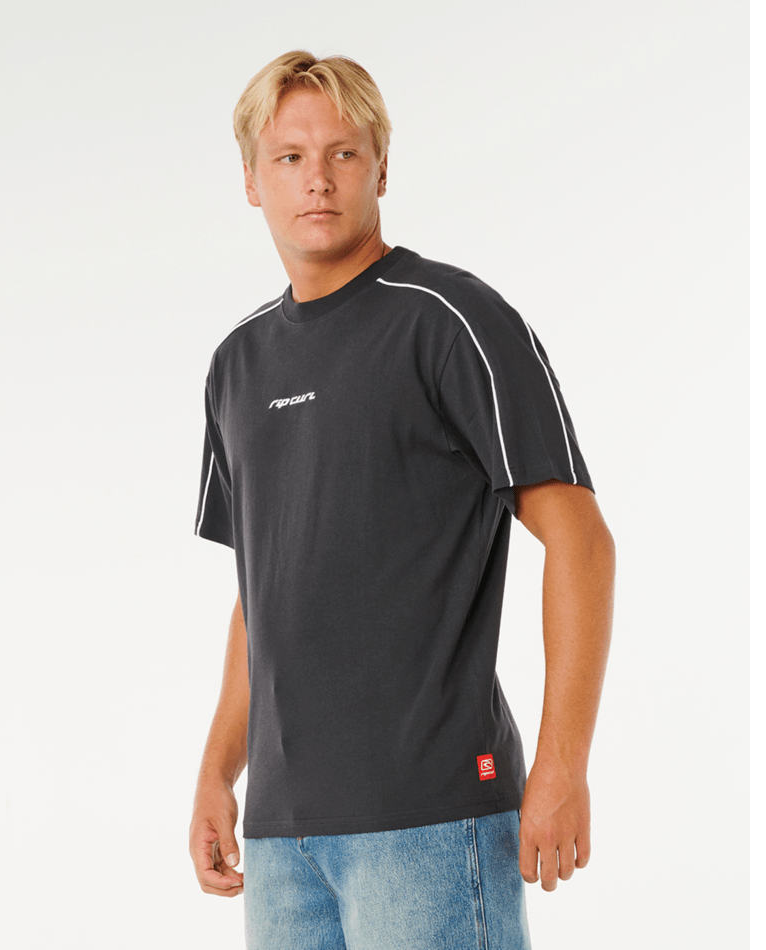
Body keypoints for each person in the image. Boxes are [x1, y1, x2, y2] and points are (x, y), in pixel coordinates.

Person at [188, 50, 615, 950]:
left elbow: (580, 540)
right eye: (290, 157)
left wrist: (563, 766)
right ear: (251, 181)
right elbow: (261, 596)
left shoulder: (449, 320)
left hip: (431, 820)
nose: (317, 179)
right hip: (282, 840)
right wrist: (218, 774)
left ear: (381, 167)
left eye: (343, 153)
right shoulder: (236, 365)